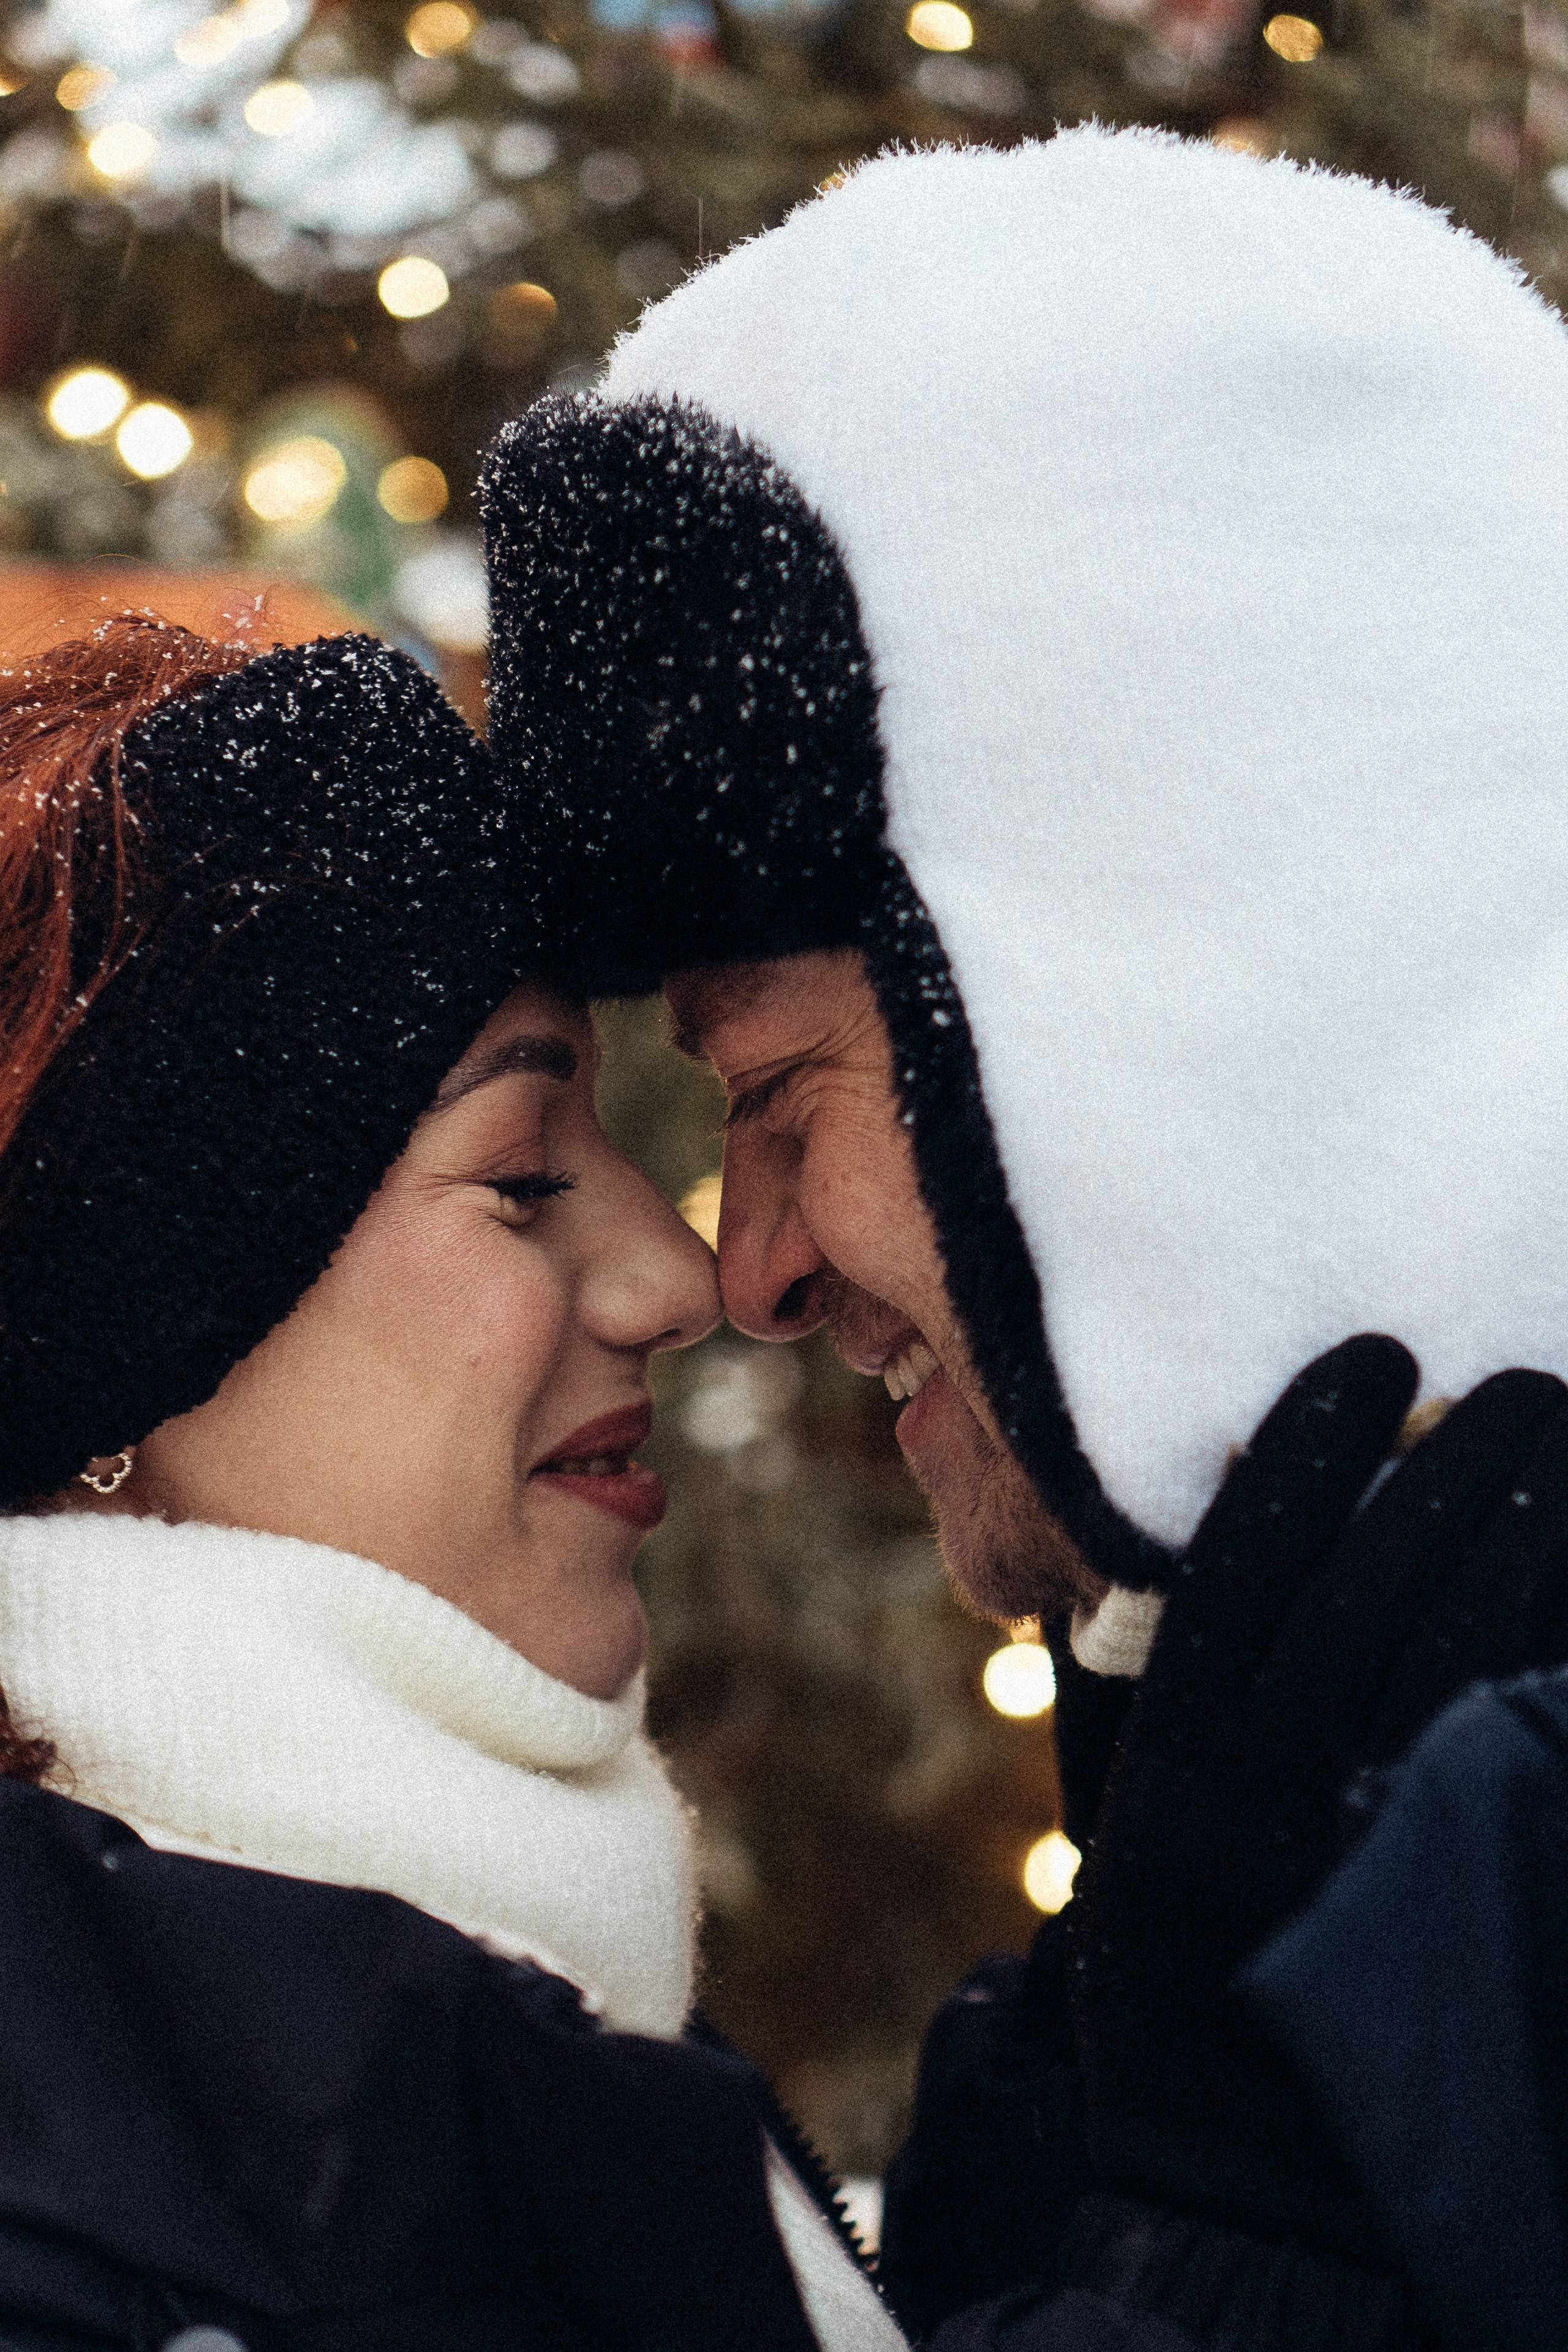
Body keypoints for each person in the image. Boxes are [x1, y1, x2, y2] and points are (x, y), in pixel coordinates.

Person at [478, 127, 1568, 2347]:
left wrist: (1244, 2248)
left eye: (779, 1094)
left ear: (1170, 1004)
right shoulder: (1276, 1827)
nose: (748, 1270)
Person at [0, 614, 907, 2351]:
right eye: (520, 1178)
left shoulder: (469, 2024)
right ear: (115, 1347)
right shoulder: (99, 2216)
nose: (677, 1280)